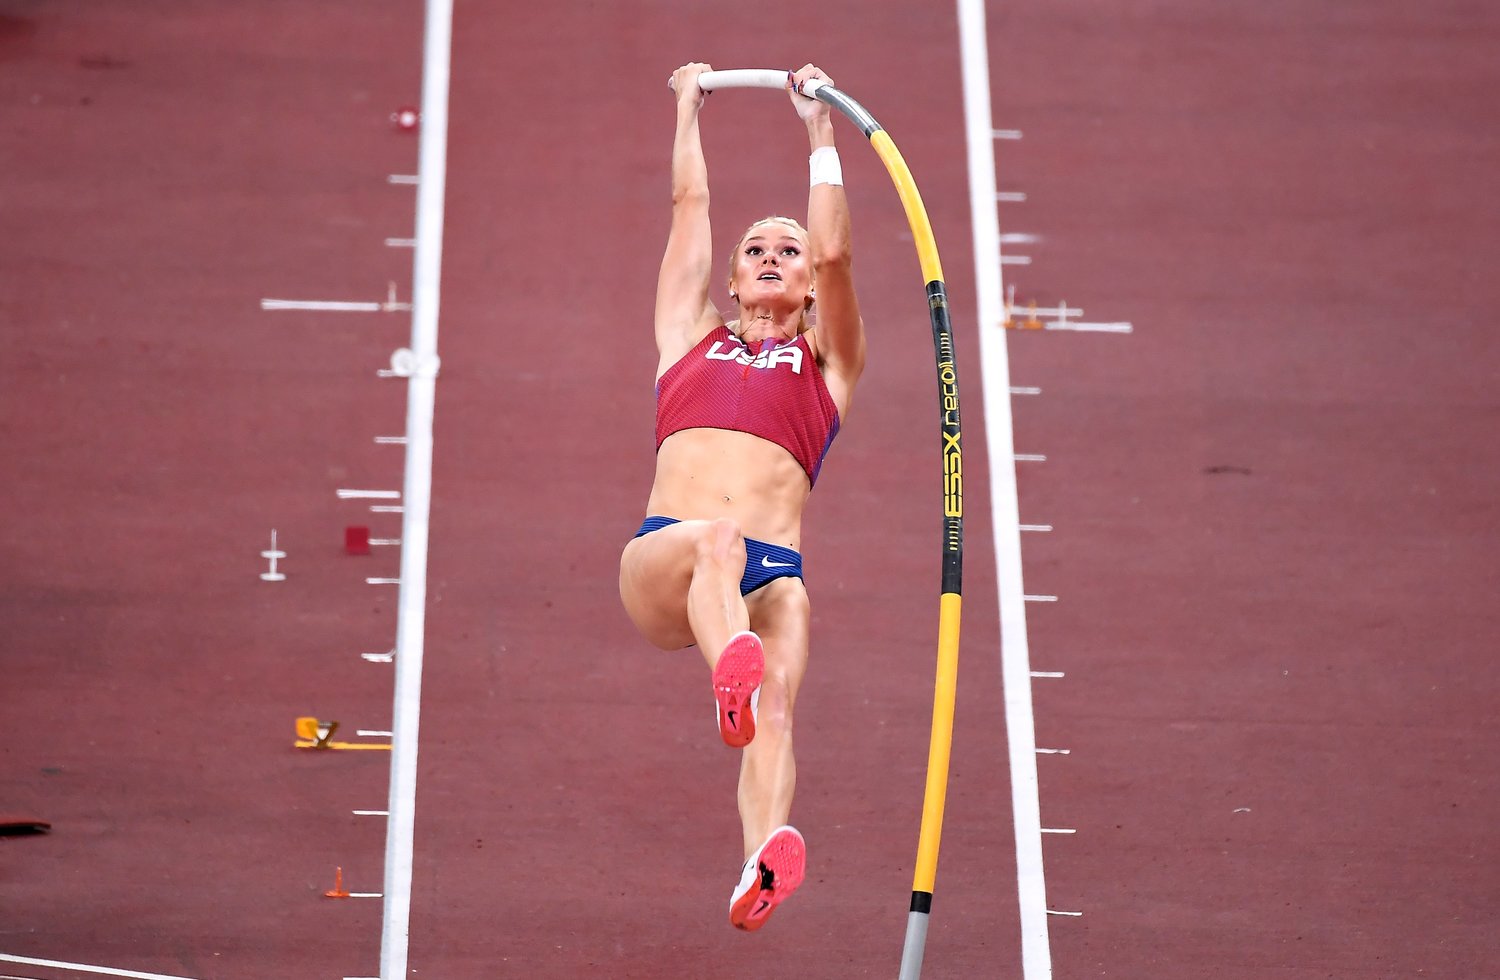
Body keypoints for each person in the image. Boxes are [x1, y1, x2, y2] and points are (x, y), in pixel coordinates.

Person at [618, 61, 866, 932]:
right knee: (717, 542)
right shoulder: (686, 337)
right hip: (668, 556)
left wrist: (822, 132)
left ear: (807, 286)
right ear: (732, 280)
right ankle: (731, 677)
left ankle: (760, 858)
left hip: (770, 572)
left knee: (781, 702)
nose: (772, 257)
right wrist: (687, 108)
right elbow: (690, 209)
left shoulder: (827, 367)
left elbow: (837, 249)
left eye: (786, 251)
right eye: (755, 250)